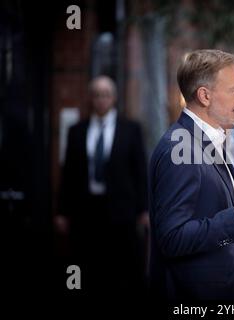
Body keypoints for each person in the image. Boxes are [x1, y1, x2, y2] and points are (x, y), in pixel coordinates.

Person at [148, 49, 234, 301]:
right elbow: (172, 239)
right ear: (204, 95)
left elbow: (216, 209)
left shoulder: (212, 139)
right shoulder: (179, 148)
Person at [58, 76, 148, 295]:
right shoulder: (77, 131)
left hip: (120, 212)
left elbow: (140, 172)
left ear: (114, 98)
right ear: (91, 98)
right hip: (85, 210)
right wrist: (61, 211)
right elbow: (67, 173)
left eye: (106, 94)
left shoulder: (131, 129)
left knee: (121, 267)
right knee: (82, 265)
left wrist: (144, 209)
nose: (101, 99)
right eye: (97, 94)